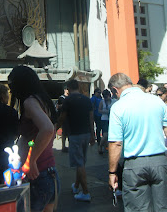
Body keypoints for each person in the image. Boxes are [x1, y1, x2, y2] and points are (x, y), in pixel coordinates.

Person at [108, 73, 167, 212]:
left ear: (115, 89)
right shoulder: (157, 101)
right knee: (162, 207)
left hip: (134, 165)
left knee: (138, 208)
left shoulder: (118, 107)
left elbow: (116, 143)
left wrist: (112, 172)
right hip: (160, 161)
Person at [8, 65, 59, 212]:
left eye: (12, 84)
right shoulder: (43, 101)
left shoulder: (29, 102)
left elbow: (48, 129)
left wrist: (32, 161)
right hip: (49, 173)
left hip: (38, 175)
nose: (11, 89)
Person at [57, 80, 95, 202]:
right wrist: (92, 134)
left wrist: (55, 128)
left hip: (75, 134)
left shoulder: (68, 100)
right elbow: (91, 117)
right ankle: (77, 185)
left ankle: (85, 192)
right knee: (82, 161)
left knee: (79, 163)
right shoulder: (86, 99)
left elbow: (62, 117)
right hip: (86, 133)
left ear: (68, 88)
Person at [98, 89, 115, 154]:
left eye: (107, 96)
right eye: (105, 96)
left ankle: (107, 147)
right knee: (105, 135)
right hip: (104, 119)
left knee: (110, 135)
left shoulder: (113, 101)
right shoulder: (102, 102)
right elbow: (99, 110)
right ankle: (100, 146)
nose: (107, 97)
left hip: (111, 119)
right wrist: (105, 111)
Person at [56, 87, 70, 152]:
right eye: (67, 89)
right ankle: (63, 146)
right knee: (64, 132)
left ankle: (70, 146)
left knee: (70, 133)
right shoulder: (61, 98)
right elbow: (59, 106)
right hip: (64, 117)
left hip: (70, 117)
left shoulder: (70, 97)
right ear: (65, 90)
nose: (68, 90)